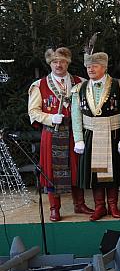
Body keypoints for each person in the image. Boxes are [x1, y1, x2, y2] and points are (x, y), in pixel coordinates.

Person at [27, 47, 91, 221]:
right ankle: (55, 208)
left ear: (68, 63)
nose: (58, 65)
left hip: (74, 133)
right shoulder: (39, 85)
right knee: (52, 172)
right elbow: (33, 112)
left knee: (76, 168)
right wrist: (49, 118)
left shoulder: (81, 82)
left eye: (62, 61)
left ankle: (80, 204)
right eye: (55, 62)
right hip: (52, 133)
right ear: (50, 64)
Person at [71, 49, 120, 221]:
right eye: (88, 67)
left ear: (104, 67)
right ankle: (100, 206)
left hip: (113, 133)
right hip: (90, 135)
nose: (90, 69)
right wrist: (79, 139)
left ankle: (113, 205)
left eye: (94, 66)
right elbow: (76, 116)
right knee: (96, 174)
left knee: (111, 173)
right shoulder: (78, 89)